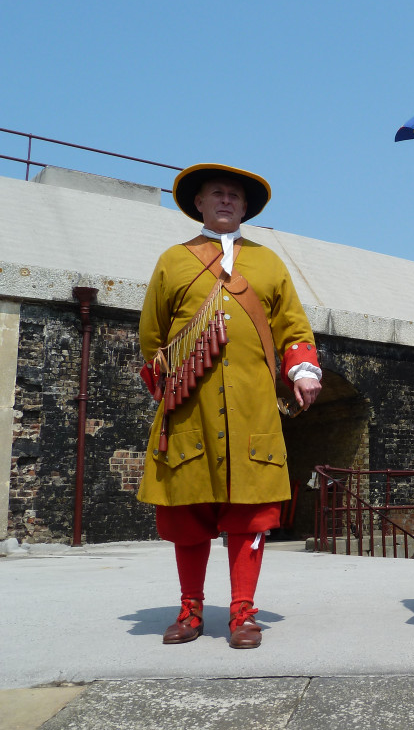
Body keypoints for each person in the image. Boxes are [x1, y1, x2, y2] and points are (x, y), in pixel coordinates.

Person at [138, 163, 322, 649]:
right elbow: (152, 338)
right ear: (198, 203)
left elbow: (293, 329)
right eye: (216, 193)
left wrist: (303, 370)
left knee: (251, 515)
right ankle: (190, 610)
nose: (226, 201)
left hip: (253, 409)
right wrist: (171, 383)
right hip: (188, 412)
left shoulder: (269, 263)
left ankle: (243, 614)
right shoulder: (172, 261)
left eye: (235, 197)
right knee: (188, 512)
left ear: (245, 208)